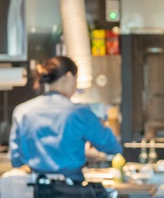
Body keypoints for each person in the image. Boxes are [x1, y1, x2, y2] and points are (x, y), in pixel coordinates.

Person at [9, 55, 122, 183]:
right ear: (69, 77)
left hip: (35, 188)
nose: (76, 85)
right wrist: (104, 126)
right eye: (76, 80)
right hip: (71, 188)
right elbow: (111, 146)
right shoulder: (79, 112)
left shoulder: (22, 111)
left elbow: (16, 159)